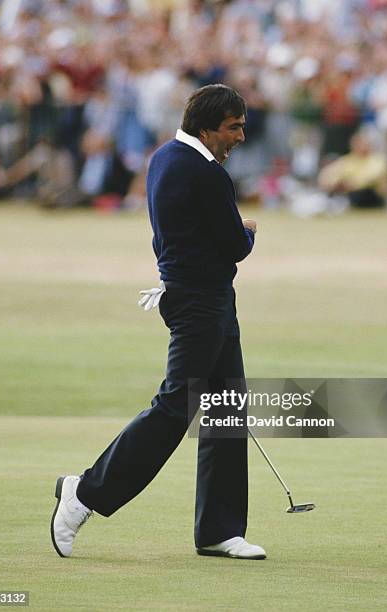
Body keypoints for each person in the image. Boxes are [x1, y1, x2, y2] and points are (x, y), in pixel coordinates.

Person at [50, 84, 265, 560]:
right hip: (200, 305)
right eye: (234, 127)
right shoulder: (205, 172)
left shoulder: (165, 156)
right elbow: (233, 246)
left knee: (227, 409)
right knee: (173, 408)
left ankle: (218, 529)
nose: (241, 136)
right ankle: (84, 493)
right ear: (208, 128)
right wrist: (248, 231)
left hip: (205, 300)